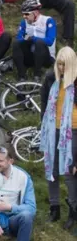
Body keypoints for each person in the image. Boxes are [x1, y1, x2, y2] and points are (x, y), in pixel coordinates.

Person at [39, 47, 77, 229]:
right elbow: (44, 104)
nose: (61, 67)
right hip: (52, 130)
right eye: (59, 64)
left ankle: (73, 210)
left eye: (64, 64)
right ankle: (54, 208)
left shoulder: (76, 83)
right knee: (51, 171)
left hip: (72, 131)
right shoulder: (50, 79)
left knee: (70, 172)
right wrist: (44, 126)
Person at [13, 0, 56, 81]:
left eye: (26, 14)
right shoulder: (24, 22)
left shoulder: (48, 20)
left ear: (36, 12)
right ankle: (21, 76)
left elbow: (50, 41)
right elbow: (19, 38)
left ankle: (37, 75)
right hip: (31, 56)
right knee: (16, 43)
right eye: (23, 14)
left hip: (46, 57)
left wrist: (32, 38)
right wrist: (26, 39)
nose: (24, 17)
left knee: (39, 42)